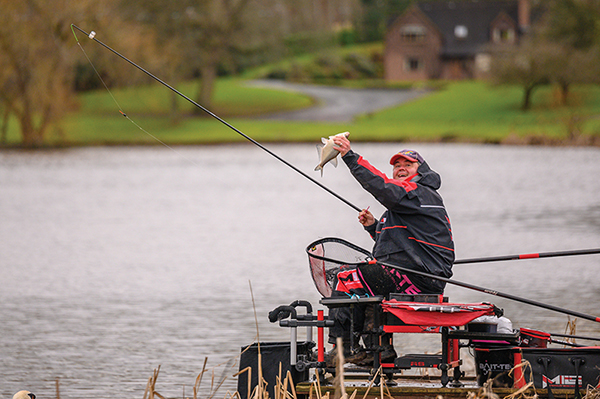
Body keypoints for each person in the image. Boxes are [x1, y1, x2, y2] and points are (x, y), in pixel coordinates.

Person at [325, 135, 455, 366]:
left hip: (420, 277)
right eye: (397, 166)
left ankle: (342, 347)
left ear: (421, 170)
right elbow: (398, 244)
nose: (401, 168)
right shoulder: (405, 203)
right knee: (368, 281)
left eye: (408, 165)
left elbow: (380, 185)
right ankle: (381, 349)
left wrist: (349, 156)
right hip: (413, 272)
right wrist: (374, 226)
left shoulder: (418, 193)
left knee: (346, 277)